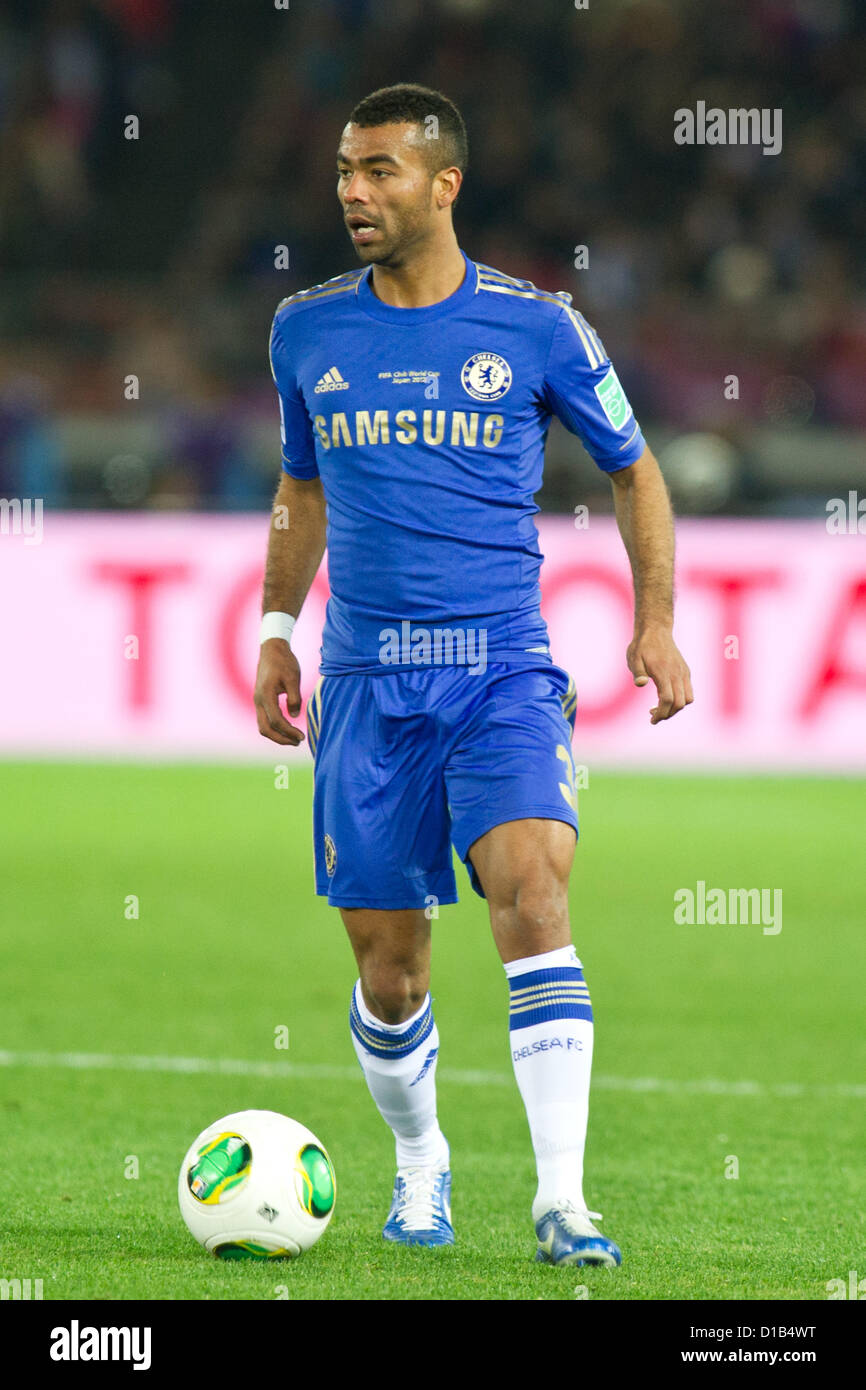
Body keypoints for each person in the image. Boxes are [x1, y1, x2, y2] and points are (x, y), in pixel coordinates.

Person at [254, 83, 693, 1268]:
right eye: (346, 168)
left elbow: (635, 469)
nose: (353, 189)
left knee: (533, 891)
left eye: (381, 170)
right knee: (389, 971)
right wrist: (274, 625)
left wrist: (654, 620)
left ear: (444, 184)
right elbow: (300, 487)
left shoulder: (537, 325)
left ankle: (561, 1199)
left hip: (500, 667)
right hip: (363, 682)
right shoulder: (305, 329)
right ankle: (420, 1156)